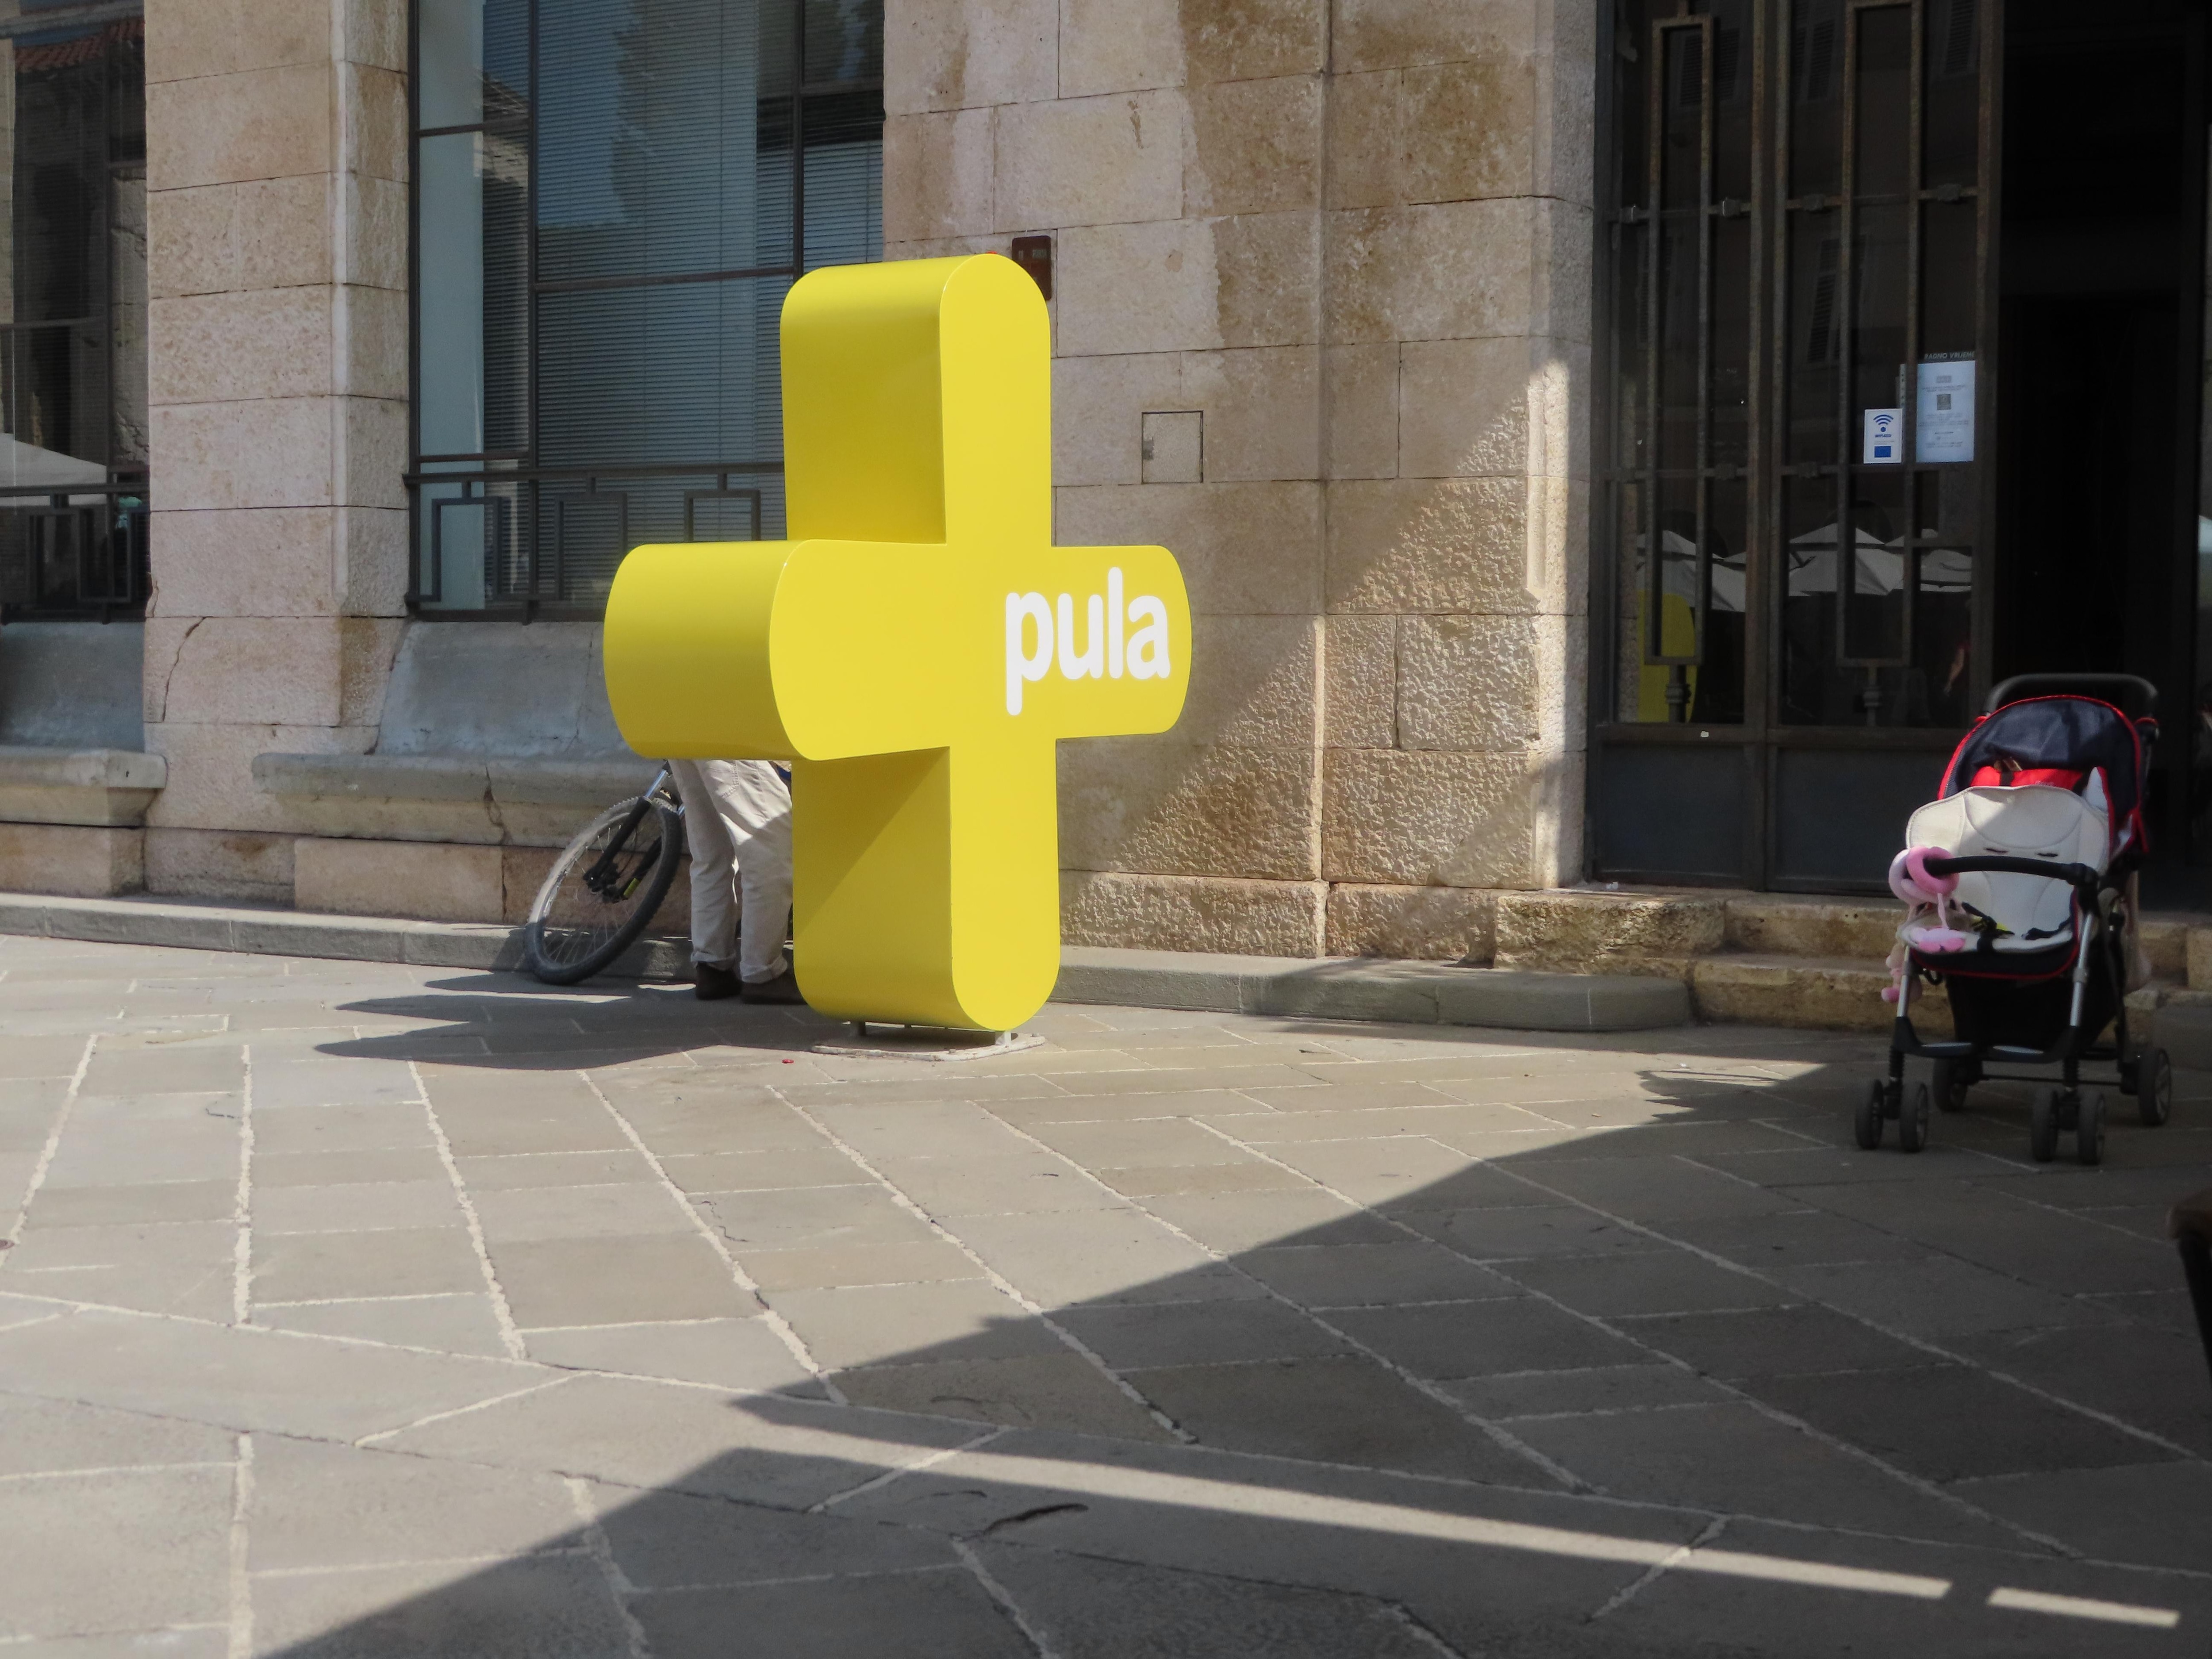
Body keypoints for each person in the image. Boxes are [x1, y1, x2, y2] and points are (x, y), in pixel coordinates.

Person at [666, 759, 802, 1004]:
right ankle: (763, 972)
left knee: (711, 853)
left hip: (679, 728)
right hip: (726, 731)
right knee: (770, 852)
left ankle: (712, 966)